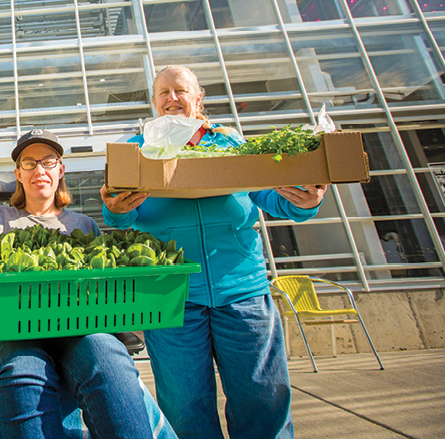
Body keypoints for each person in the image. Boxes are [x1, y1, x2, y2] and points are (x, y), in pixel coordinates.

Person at [100, 65, 327, 439]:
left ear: (198, 97)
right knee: (184, 406)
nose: (172, 98)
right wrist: (116, 209)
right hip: (170, 296)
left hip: (242, 290)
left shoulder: (229, 143)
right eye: (163, 93)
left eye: (181, 90)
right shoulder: (137, 151)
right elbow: (121, 217)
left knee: (262, 399)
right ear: (154, 102)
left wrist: (305, 202)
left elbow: (273, 199)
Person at [0, 129, 159, 439]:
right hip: (5, 330)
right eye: (29, 163)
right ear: (18, 174)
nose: (39, 169)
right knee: (24, 368)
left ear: (61, 169)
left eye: (49, 161)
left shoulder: (83, 225)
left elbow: (101, 298)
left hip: (75, 330)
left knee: (108, 353)